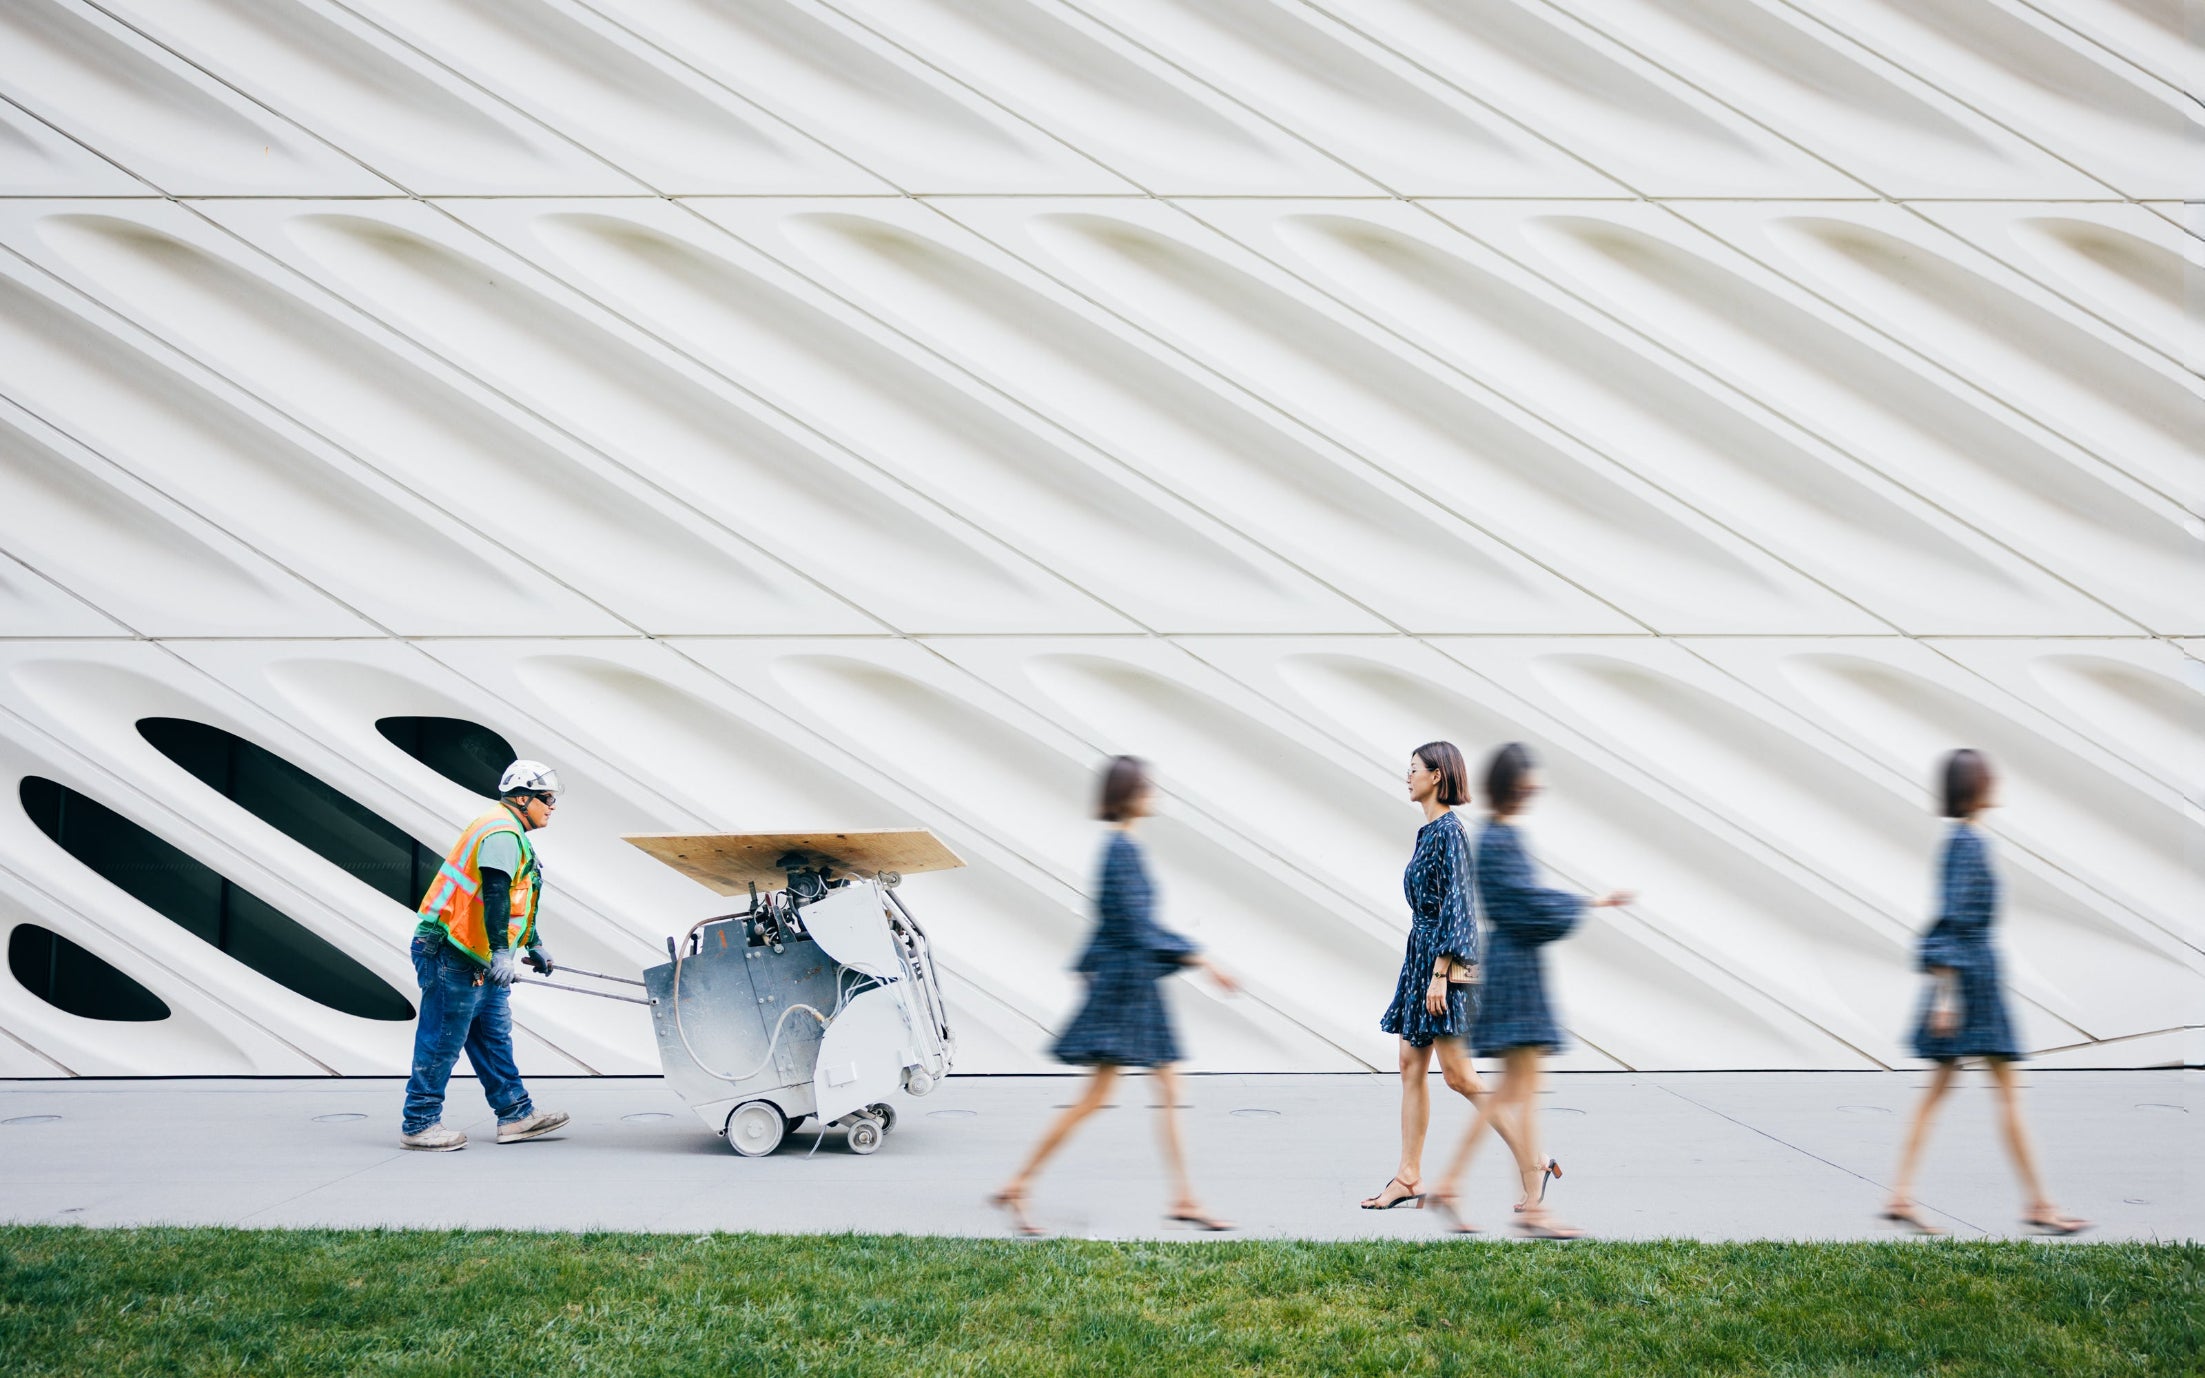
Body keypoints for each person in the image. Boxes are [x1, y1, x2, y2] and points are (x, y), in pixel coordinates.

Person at [990, 756, 1239, 1236]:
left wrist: (1087, 965)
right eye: (1148, 786)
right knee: (1097, 1098)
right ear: (1129, 794)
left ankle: (1184, 1198)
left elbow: (1111, 923)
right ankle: (1020, 1185)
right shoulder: (1120, 852)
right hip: (1129, 989)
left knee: (1160, 1090)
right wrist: (1202, 959)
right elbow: (1132, 926)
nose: (1154, 793)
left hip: (1132, 984)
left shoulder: (1123, 848)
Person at [1882, 749, 2089, 1236]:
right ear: (1975, 788)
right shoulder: (1968, 844)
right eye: (1988, 777)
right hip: (1972, 984)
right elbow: (1953, 920)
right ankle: (2039, 1205)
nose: (1995, 782)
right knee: (2006, 1095)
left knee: (1942, 1092)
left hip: (1968, 979)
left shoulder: (1962, 840)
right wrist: (1949, 997)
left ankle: (1902, 1196)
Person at [1428, 743, 1630, 1238]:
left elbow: (1527, 902)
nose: (1536, 786)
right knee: (1522, 1089)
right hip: (1516, 972)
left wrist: (1587, 903)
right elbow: (1526, 904)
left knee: (1516, 1090)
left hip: (1516, 968)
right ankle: (1515, 1203)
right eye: (1530, 779)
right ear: (1514, 786)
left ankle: (1453, 1187)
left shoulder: (1499, 837)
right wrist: (1588, 902)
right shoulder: (1500, 840)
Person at [1360, 742, 1538, 1214]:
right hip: (1421, 959)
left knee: (1459, 1077)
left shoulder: (1449, 833)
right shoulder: (1429, 832)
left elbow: (1459, 906)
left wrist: (1440, 973)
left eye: (1413, 768)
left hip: (1441, 965)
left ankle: (1532, 1161)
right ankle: (1408, 1175)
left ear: (1437, 776)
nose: (1407, 775)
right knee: (1409, 1066)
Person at [398, 759, 570, 1151]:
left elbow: (515, 901)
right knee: (443, 1037)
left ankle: (515, 1114)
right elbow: (493, 895)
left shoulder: (511, 831)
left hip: (477, 952)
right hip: (450, 948)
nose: (552, 806)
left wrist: (531, 943)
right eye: (546, 798)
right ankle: (419, 1122)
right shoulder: (500, 833)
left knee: (492, 1034)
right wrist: (502, 955)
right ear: (522, 798)